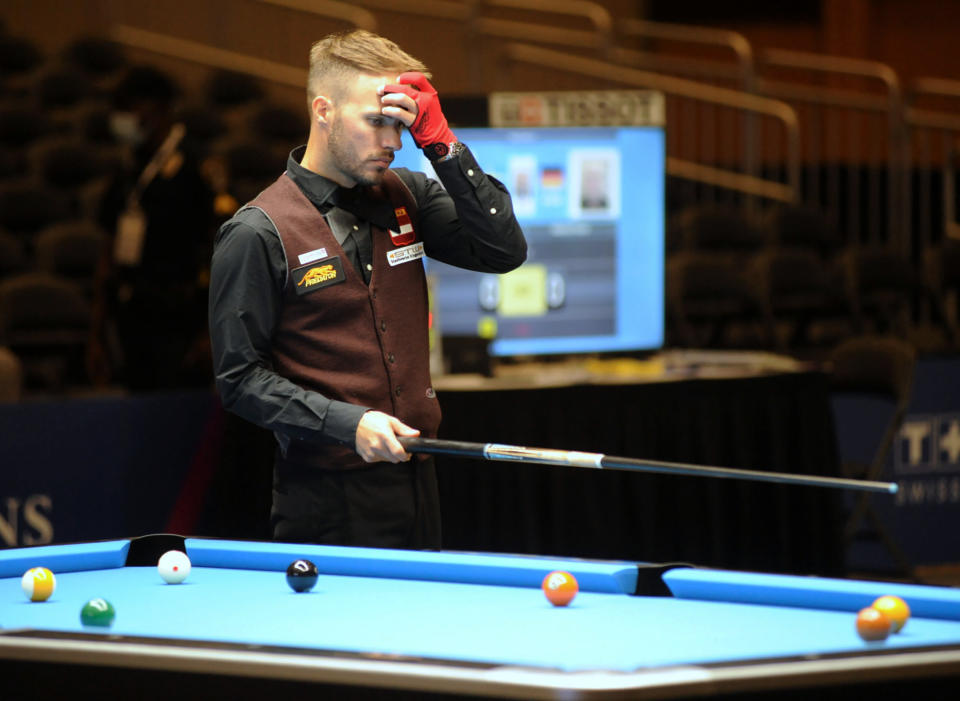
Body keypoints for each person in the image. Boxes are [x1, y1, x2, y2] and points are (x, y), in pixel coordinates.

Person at [208, 31, 526, 549]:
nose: (393, 142)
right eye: (376, 122)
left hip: (419, 478)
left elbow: (503, 251)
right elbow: (239, 379)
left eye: (400, 124)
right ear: (324, 111)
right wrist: (347, 423)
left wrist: (442, 143)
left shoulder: (409, 194)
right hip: (324, 498)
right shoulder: (256, 231)